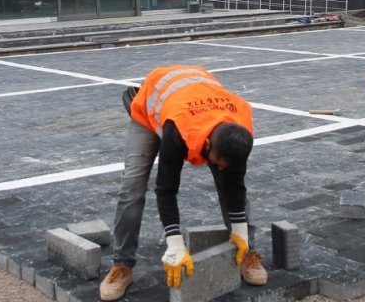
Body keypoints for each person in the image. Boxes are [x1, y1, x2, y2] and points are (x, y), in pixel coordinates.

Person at [99, 65, 267, 301]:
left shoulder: (240, 129)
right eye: (216, 161)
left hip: (199, 97)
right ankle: (122, 265)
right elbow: (166, 189)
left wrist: (240, 231)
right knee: (133, 185)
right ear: (207, 144)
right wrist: (175, 244)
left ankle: (246, 251)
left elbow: (235, 185)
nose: (218, 167)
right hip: (154, 107)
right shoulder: (177, 132)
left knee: (227, 181)